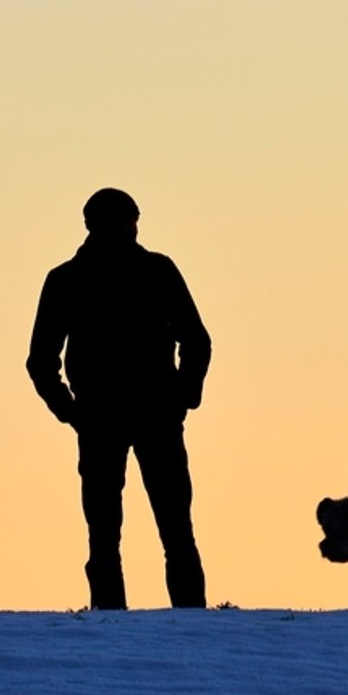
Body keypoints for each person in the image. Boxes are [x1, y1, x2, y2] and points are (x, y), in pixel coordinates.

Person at [27, 188, 212, 610]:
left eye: (126, 222)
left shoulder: (155, 271)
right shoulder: (68, 280)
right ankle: (117, 623)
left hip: (147, 416)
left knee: (169, 530)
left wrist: (184, 396)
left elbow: (197, 342)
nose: (123, 230)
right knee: (110, 532)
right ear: (95, 226)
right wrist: (71, 412)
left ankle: (186, 624)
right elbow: (39, 361)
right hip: (107, 418)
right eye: (117, 222)